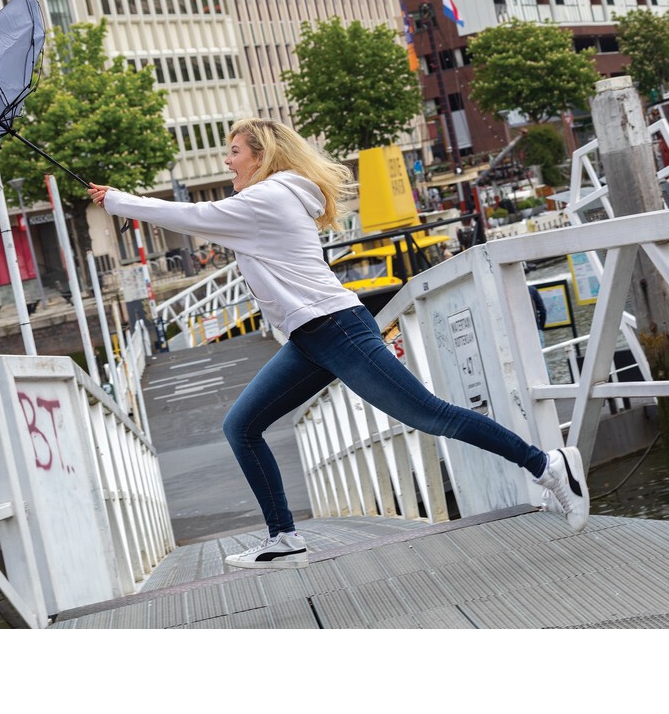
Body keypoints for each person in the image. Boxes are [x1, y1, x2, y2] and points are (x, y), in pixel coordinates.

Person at [88, 119, 589, 570]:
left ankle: (546, 465)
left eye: (234, 151)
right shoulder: (270, 199)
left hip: (336, 329)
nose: (226, 161)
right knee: (241, 426)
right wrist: (125, 205)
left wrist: (117, 201)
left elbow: (195, 215)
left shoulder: (267, 198)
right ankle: (284, 538)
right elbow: (203, 218)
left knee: (430, 415)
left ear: (262, 156)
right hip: (311, 336)